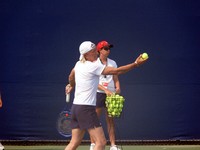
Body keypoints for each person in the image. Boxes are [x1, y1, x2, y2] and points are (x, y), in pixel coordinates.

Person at [65, 41, 147, 150]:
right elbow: (117, 71)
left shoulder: (78, 64)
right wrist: (135, 64)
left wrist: (71, 85)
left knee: (74, 143)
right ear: (86, 54)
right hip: (86, 109)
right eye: (93, 51)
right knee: (101, 142)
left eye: (95, 50)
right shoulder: (93, 66)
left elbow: (71, 76)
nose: (96, 53)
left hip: (76, 108)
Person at [89, 41, 121, 150]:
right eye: (106, 48)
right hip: (98, 93)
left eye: (109, 48)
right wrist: (105, 90)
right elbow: (94, 82)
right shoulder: (94, 64)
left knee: (110, 120)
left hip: (111, 94)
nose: (108, 50)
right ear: (99, 51)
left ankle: (113, 145)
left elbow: (116, 77)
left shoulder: (113, 63)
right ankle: (93, 144)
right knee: (95, 120)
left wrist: (117, 87)